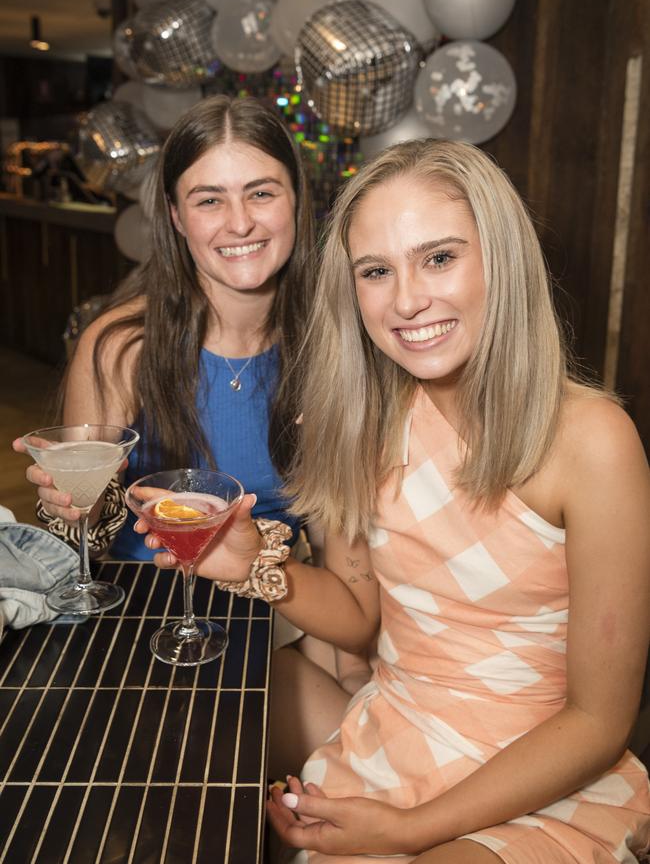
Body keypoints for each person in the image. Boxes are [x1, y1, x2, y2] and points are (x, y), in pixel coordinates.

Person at [143, 138, 650, 862]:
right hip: (394, 723)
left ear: (500, 258)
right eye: (376, 271)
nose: (408, 299)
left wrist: (409, 830)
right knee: (205, 708)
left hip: (547, 770)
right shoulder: (359, 420)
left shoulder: (594, 441)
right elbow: (358, 619)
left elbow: (600, 720)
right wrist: (255, 563)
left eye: (439, 257)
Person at [13, 94, 358, 776]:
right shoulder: (120, 345)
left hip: (272, 611)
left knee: (356, 768)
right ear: (174, 216)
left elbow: (350, 585)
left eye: (262, 192)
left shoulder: (334, 353)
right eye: (208, 200)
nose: (239, 222)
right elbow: (95, 538)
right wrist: (74, 506)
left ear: (298, 201)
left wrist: (346, 662)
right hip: (138, 621)